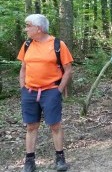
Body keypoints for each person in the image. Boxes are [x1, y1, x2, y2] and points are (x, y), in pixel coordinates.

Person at [17, 14, 73, 172]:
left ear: (39, 28)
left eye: (28, 25)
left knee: (55, 125)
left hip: (50, 91)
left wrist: (58, 90)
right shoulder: (27, 44)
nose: (26, 29)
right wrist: (23, 88)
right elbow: (23, 68)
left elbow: (68, 69)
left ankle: (60, 158)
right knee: (31, 126)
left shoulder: (57, 44)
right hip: (29, 91)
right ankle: (29, 161)